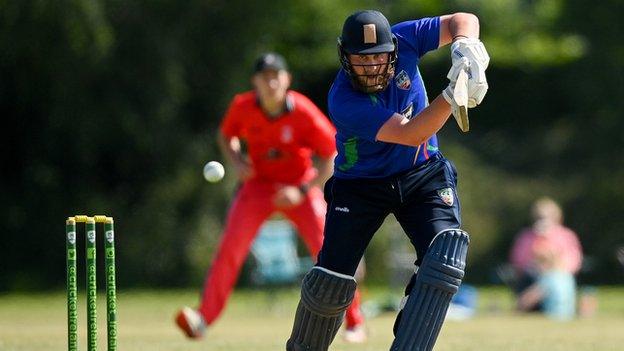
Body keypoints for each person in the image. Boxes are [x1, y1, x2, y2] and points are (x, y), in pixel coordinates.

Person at [286, 10, 489, 351]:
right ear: (344, 56)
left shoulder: (405, 36)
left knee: (444, 255)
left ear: (393, 49)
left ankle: (412, 334)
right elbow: (411, 133)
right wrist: (453, 93)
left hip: (422, 174)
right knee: (330, 281)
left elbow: (462, 18)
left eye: (379, 56)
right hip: (360, 184)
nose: (371, 67)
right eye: (360, 59)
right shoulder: (343, 99)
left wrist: (465, 46)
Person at [175, 52, 366, 342]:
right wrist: (238, 161)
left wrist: (302, 190)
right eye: (265, 77)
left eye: (277, 75)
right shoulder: (242, 107)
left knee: (330, 249)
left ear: (287, 79)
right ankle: (203, 318)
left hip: (300, 187)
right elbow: (227, 135)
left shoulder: (302, 112)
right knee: (231, 248)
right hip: (258, 187)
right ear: (255, 82)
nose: (271, 81)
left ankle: (354, 322)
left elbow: (330, 155)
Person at [509, 197, 583, 297]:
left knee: (556, 280)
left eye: (547, 217)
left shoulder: (566, 236)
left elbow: (574, 260)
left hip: (558, 277)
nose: (543, 221)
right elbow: (518, 261)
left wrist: (554, 266)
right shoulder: (526, 237)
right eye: (539, 217)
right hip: (531, 278)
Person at [517, 237, 576, 320]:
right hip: (568, 316)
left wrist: (516, 309)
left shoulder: (548, 278)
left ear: (544, 263)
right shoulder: (567, 276)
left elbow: (527, 300)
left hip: (553, 317)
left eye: (536, 263)